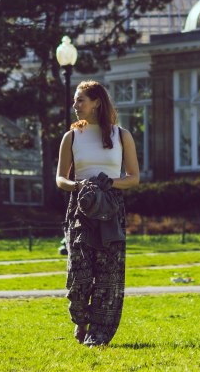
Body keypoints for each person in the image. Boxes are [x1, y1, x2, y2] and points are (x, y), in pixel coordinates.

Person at [56, 80, 140, 347]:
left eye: (80, 100)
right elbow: (60, 178)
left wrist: (111, 183)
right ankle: (81, 320)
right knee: (79, 274)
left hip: (111, 209)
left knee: (108, 275)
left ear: (96, 103)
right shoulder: (71, 137)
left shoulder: (121, 135)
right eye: (75, 100)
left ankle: (99, 334)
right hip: (80, 209)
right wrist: (79, 185)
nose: (75, 105)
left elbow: (134, 177)